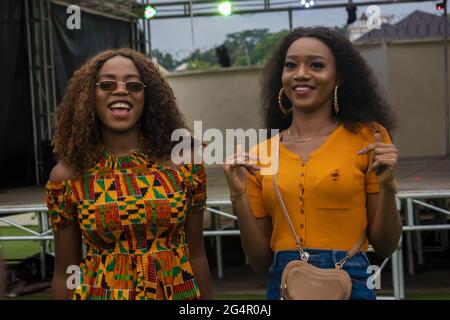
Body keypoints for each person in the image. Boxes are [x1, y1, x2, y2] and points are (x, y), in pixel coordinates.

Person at [223, 27, 402, 300]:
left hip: (350, 285)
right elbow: (260, 262)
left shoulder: (368, 138)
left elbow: (386, 245)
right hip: (284, 285)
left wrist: (388, 187)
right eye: (291, 65)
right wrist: (238, 197)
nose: (301, 73)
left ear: (338, 76)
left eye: (316, 65)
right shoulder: (261, 155)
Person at [46, 48, 213, 300]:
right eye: (107, 83)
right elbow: (64, 272)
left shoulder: (184, 166)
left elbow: (197, 254)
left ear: (148, 97)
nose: (121, 90)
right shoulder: (67, 177)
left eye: (134, 85)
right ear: (88, 95)